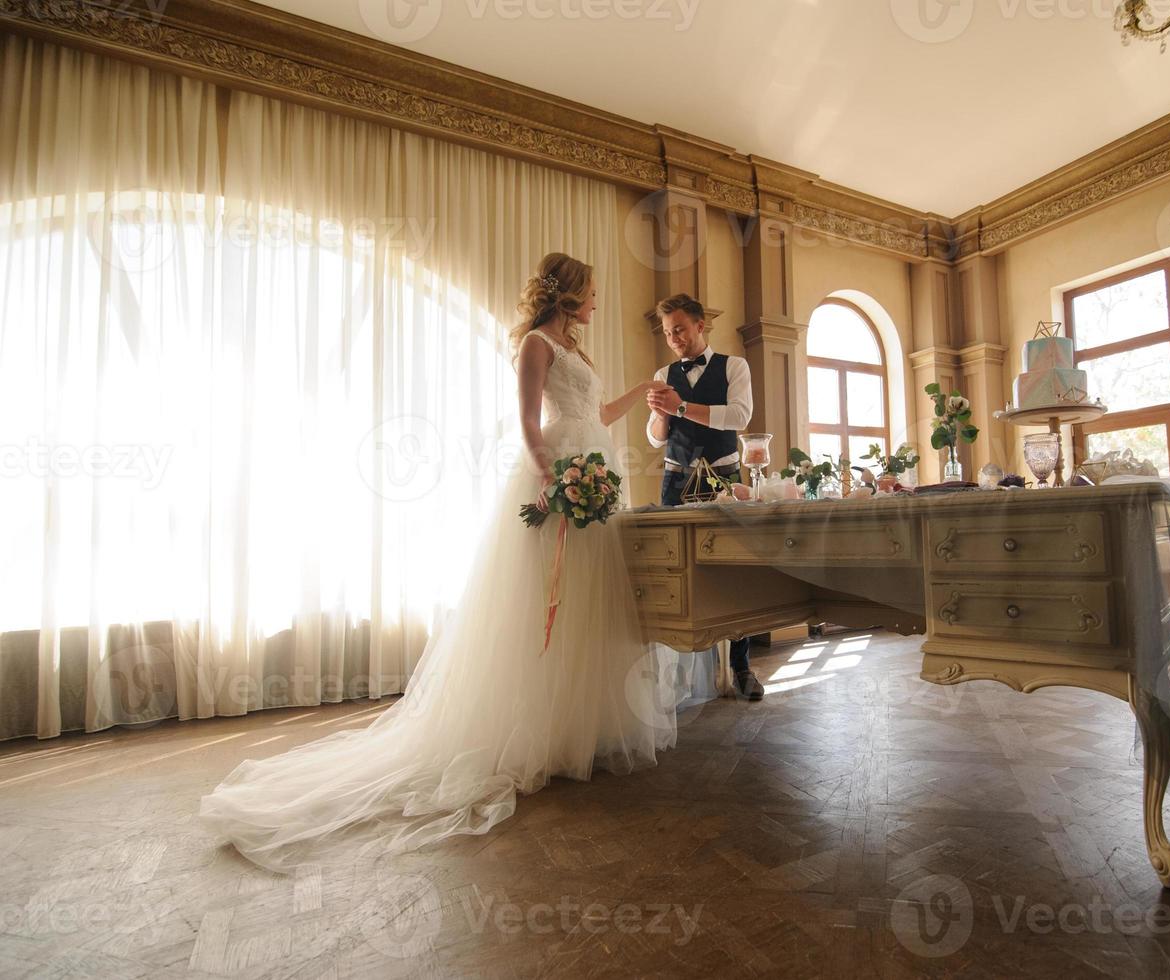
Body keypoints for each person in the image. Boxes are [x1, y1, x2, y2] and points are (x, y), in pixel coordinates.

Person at [200, 252, 681, 870]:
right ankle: (529, 734)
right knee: (545, 601)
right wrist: (554, 480)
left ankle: (575, 732)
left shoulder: (577, 351)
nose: (595, 302)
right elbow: (531, 424)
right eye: (590, 293)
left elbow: (597, 415)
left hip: (598, 471)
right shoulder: (537, 344)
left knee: (588, 604)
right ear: (567, 296)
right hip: (561, 475)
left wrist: (643, 392)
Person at [645, 293, 764, 701]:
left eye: (679, 328)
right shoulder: (663, 371)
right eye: (666, 332)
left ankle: (741, 666)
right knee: (673, 571)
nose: (673, 338)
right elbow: (654, 437)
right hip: (675, 483)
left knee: (737, 572)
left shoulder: (736, 366)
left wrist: (680, 408)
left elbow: (739, 417)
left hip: (725, 481)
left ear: (700, 325)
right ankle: (678, 674)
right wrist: (662, 416)